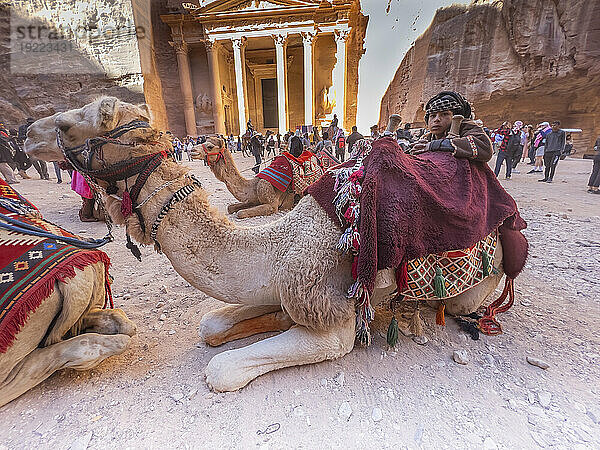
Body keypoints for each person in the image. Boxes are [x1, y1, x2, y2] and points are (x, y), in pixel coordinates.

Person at [410, 91, 492, 163]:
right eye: (433, 116)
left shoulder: (464, 125)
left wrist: (433, 146)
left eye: (445, 114)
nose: (437, 119)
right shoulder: (427, 137)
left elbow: (485, 148)